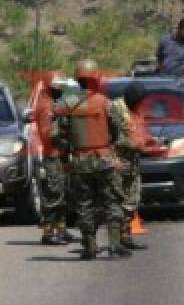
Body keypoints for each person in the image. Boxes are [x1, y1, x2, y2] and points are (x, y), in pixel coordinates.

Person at [52, 60, 131, 259]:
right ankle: (114, 245)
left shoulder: (68, 104)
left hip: (80, 162)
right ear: (96, 78)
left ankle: (89, 247)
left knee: (84, 204)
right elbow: (116, 130)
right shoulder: (104, 102)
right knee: (112, 200)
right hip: (104, 159)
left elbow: (59, 135)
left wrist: (65, 156)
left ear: (78, 80)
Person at [116, 81, 155, 252]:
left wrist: (150, 140)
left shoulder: (136, 111)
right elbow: (114, 138)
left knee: (133, 199)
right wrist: (136, 145)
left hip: (132, 162)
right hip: (118, 162)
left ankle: (125, 236)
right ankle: (115, 239)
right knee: (117, 201)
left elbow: (139, 132)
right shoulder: (116, 111)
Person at [36, 76, 71, 246]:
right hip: (52, 156)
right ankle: (48, 233)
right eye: (60, 88)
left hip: (59, 155)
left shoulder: (52, 104)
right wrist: (65, 138)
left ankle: (61, 229)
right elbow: (47, 133)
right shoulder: (46, 107)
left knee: (61, 193)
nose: (62, 91)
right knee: (53, 194)